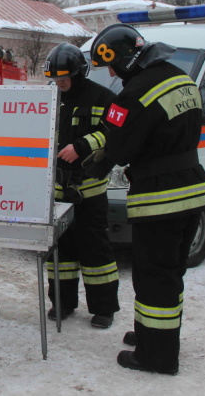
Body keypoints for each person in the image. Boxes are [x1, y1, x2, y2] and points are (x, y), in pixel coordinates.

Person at [86, 23, 205, 375]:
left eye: (110, 65)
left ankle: (156, 357)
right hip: (194, 189)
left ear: (124, 60)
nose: (110, 73)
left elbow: (122, 147)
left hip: (161, 198)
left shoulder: (135, 93)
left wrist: (102, 157)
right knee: (171, 274)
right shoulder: (180, 78)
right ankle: (152, 335)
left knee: (154, 276)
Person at [43, 43, 120, 328]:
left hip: (89, 193)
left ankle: (104, 308)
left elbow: (117, 130)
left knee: (96, 252)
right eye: (55, 79)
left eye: (64, 78)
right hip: (56, 192)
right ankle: (61, 303)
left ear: (79, 73)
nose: (59, 83)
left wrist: (83, 144)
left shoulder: (104, 97)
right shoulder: (49, 98)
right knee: (60, 253)